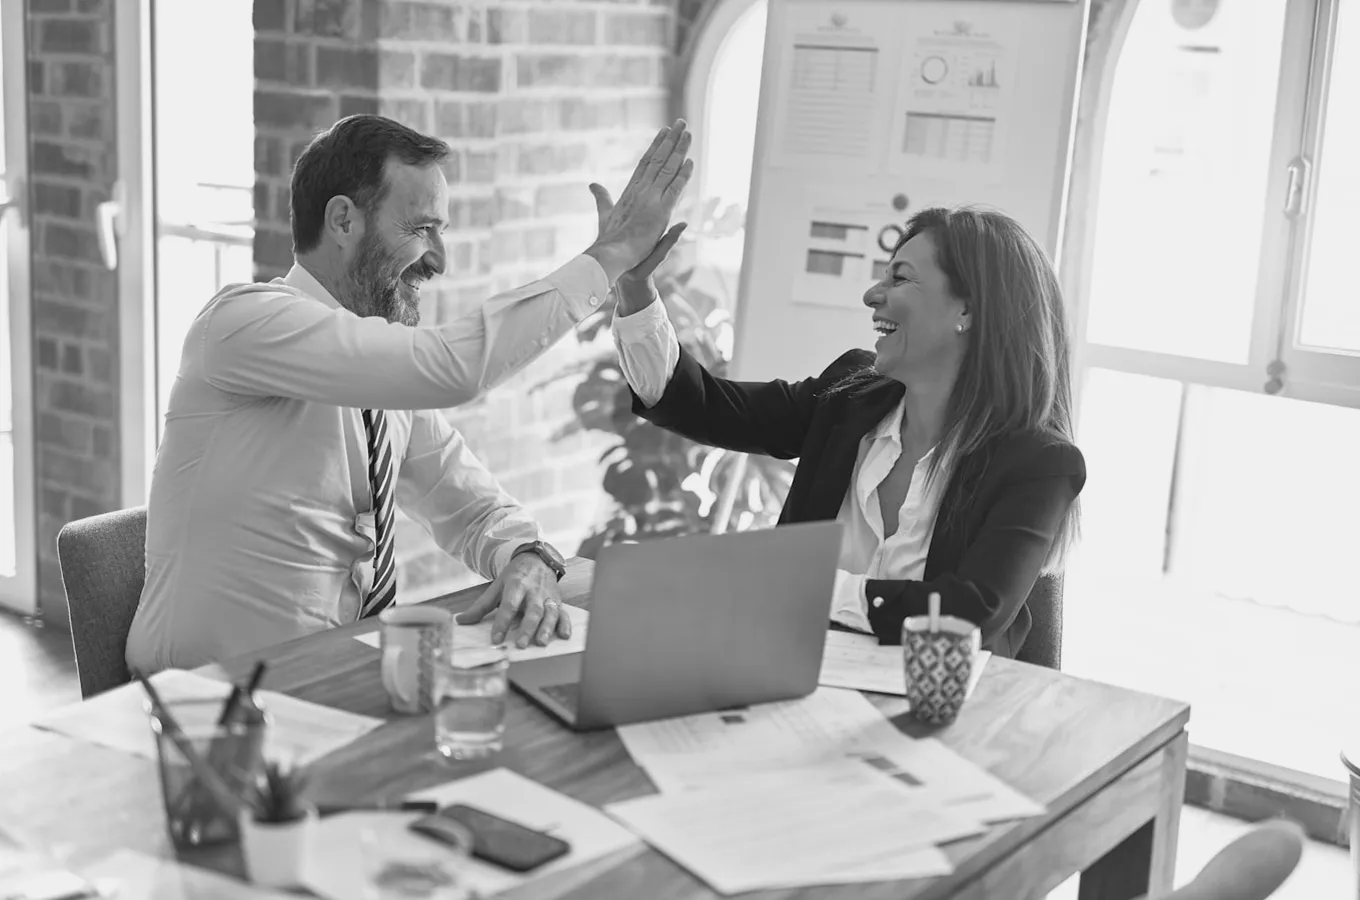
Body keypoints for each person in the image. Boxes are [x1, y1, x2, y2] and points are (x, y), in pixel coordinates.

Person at [125, 114, 693, 673]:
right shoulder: (243, 323)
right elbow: (454, 368)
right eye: (422, 229)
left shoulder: (379, 380)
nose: (439, 261)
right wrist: (610, 255)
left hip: (332, 682)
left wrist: (528, 556)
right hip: (204, 706)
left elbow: (472, 505)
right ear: (343, 221)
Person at [609, 204, 1084, 658]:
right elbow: (703, 406)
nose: (872, 295)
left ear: (967, 311)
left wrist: (805, 586)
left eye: (899, 278)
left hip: (938, 716)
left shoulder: (1038, 463)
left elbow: (969, 614)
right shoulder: (849, 396)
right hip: (790, 678)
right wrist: (635, 287)